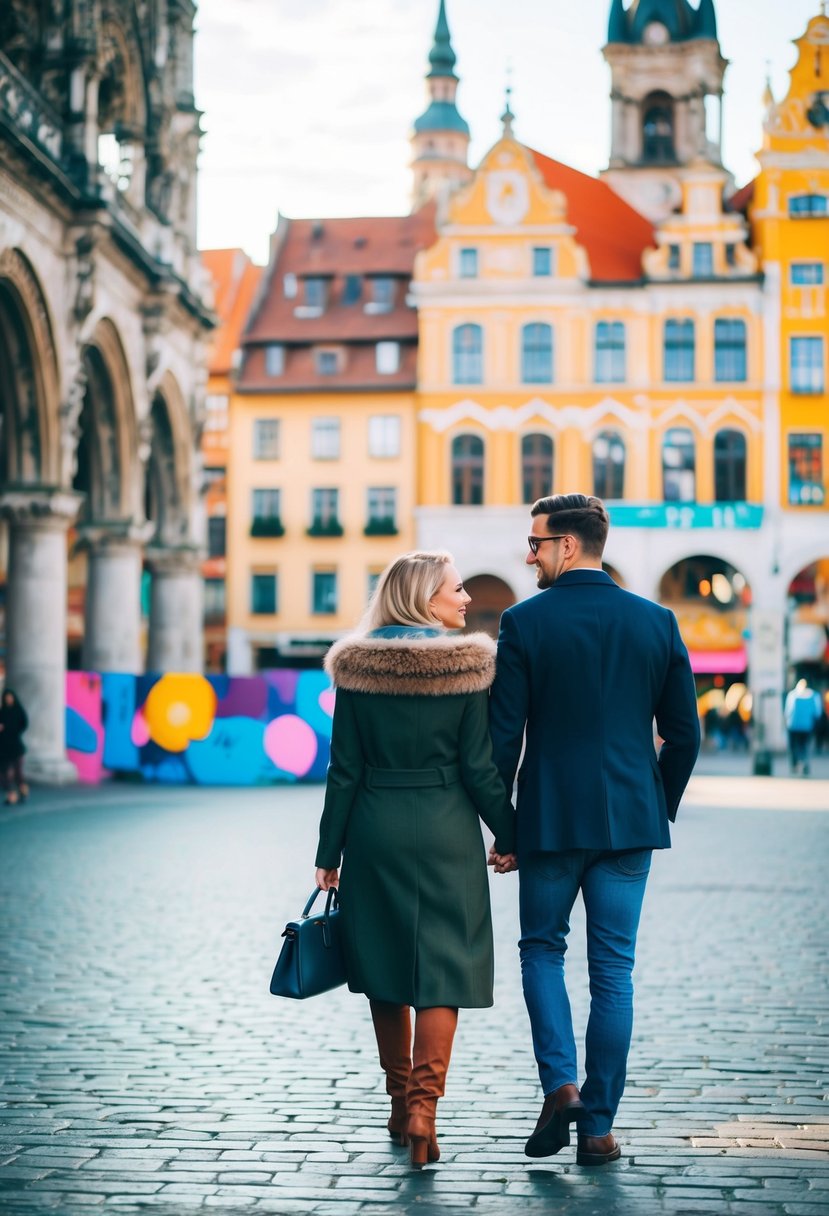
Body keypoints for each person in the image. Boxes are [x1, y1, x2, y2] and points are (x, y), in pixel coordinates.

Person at [489, 494, 700, 1167]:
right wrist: (652, 805)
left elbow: (502, 739)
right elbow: (684, 735)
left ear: (568, 546)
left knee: (540, 952)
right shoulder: (655, 621)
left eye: (536, 543)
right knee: (614, 972)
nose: (529, 555)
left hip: (550, 822)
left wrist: (505, 826)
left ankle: (560, 1086)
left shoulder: (523, 624)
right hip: (628, 823)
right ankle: (599, 1127)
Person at [314, 551, 516, 1169]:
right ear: (425, 598)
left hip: (374, 830)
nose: (464, 600)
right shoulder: (470, 667)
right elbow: (480, 769)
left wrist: (328, 854)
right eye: (456, 590)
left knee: (384, 964)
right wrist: (509, 834)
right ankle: (426, 1110)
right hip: (446, 830)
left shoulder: (356, 667)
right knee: (444, 968)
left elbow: (343, 770)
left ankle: (400, 1103)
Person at [784, 677, 824, 775]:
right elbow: (817, 712)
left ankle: (795, 763)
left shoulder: (793, 695)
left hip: (793, 724)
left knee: (794, 746)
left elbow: (788, 710)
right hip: (807, 725)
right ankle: (804, 762)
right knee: (805, 745)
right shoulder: (814, 695)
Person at [0, 688, 29, 806]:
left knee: (18, 773)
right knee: (4, 773)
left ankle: (23, 790)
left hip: (16, 746)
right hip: (3, 746)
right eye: (6, 697)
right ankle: (12, 795)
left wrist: (11, 730)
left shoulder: (19, 710)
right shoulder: (2, 711)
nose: (8, 699)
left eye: (10, 696)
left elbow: (24, 724)